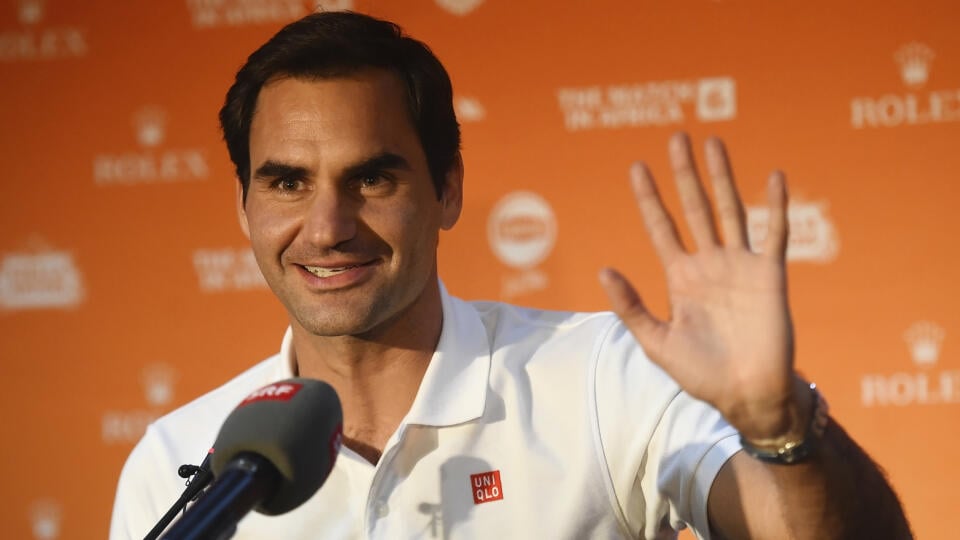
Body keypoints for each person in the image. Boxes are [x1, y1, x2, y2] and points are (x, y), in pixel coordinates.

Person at [110, 10, 912, 540]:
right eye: (287, 182)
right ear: (245, 207)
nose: (327, 227)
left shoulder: (601, 376)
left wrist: (780, 427)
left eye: (373, 178)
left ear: (447, 189)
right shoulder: (177, 457)